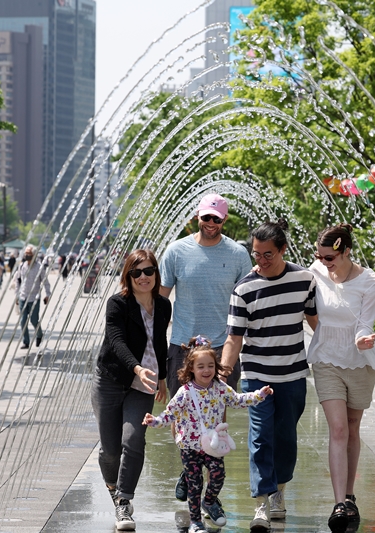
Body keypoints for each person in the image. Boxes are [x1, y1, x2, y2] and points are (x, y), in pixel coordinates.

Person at [220, 219, 318, 532]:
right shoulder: (244, 288)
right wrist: (223, 372)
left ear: (282, 250)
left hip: (292, 375)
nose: (260, 261)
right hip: (256, 377)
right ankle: (261, 503)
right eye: (256, 255)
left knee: (286, 438)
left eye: (267, 255)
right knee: (261, 438)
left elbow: (316, 322)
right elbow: (234, 337)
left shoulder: (304, 280)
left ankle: (280, 491)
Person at [159, 193, 253, 502]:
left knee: (215, 419)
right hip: (183, 347)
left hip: (221, 349)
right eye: (206, 217)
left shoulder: (239, 254)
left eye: (217, 218)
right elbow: (161, 301)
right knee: (183, 414)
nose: (211, 223)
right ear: (196, 217)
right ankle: (190, 472)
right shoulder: (176, 251)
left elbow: (247, 301)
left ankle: (205, 482)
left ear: (225, 220)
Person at [143, 336, 273, 533]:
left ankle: (209, 501)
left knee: (218, 475)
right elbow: (170, 413)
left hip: (212, 446)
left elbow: (237, 400)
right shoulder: (185, 392)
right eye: (201, 366)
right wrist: (155, 421)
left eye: (210, 365)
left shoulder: (220, 388)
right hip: (189, 447)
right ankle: (195, 522)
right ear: (191, 369)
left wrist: (259, 395)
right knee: (195, 485)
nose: (206, 370)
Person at [306, 224, 375, 532]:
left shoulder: (369, 281)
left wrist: (364, 340)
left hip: (359, 361)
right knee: (338, 428)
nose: (324, 262)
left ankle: (350, 494)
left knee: (352, 427)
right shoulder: (316, 272)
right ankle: (339, 503)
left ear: (346, 251)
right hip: (325, 358)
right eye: (320, 256)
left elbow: (366, 323)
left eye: (329, 257)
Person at [92, 249, 172, 531]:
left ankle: (124, 502)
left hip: (145, 385)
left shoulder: (163, 305)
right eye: (136, 272)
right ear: (128, 275)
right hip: (112, 380)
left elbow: (160, 342)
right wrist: (136, 368)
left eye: (148, 271)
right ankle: (113, 485)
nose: (143, 277)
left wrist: (161, 377)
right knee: (111, 451)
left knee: (134, 439)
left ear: (155, 273)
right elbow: (116, 341)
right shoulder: (118, 304)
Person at [14, 245, 51, 350]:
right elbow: (18, 281)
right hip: (23, 297)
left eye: (29, 254)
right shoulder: (22, 266)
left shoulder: (39, 267)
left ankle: (39, 335)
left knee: (34, 320)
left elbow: (46, 282)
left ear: (34, 255)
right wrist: (17, 295)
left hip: (34, 298)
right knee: (23, 320)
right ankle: (26, 342)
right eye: (26, 253)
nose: (27, 255)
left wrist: (47, 294)